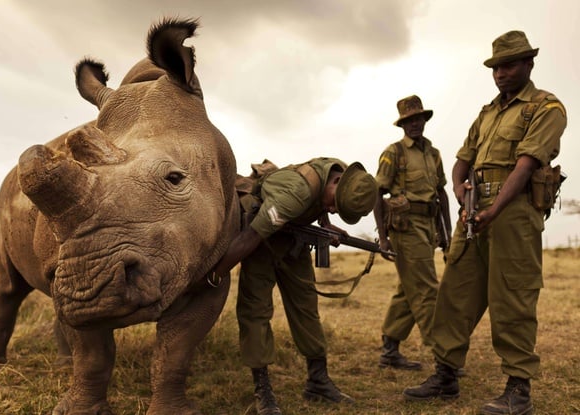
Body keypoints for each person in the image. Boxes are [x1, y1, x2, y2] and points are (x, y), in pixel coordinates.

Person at [402, 30, 566, 415]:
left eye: (509, 65)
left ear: (529, 64)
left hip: (515, 211)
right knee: (455, 290)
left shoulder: (546, 108)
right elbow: (464, 157)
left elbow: (526, 164)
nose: (500, 74)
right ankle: (445, 374)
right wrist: (460, 190)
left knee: (513, 296)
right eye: (495, 67)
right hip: (474, 209)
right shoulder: (488, 112)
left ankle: (518, 389)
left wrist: (495, 208)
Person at [212, 157, 378, 415]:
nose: (334, 210)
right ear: (336, 182)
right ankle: (263, 391)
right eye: (335, 205)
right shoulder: (295, 194)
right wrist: (215, 274)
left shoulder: (341, 174)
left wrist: (325, 224)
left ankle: (318, 381)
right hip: (260, 238)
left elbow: (320, 203)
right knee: (255, 311)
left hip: (294, 237)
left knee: (306, 307)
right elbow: (251, 236)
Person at [372, 95, 451, 371]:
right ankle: (444, 356)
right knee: (428, 290)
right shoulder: (393, 153)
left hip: (428, 228)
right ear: (402, 124)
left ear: (424, 120)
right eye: (408, 120)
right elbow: (376, 194)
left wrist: (446, 234)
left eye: (418, 118)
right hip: (405, 230)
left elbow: (441, 194)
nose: (414, 124)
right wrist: (383, 238)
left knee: (408, 289)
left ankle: (390, 349)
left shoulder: (434, 154)